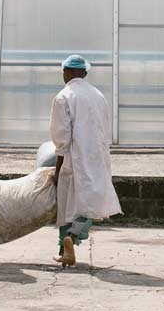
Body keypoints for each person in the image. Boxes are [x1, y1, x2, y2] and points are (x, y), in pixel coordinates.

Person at [50, 54, 121, 268]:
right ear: (85, 73)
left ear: (66, 72)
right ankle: (68, 245)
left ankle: (67, 240)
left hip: (73, 158)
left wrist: (58, 167)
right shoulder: (99, 96)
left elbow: (61, 137)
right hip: (96, 158)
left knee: (67, 205)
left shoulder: (63, 97)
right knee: (93, 204)